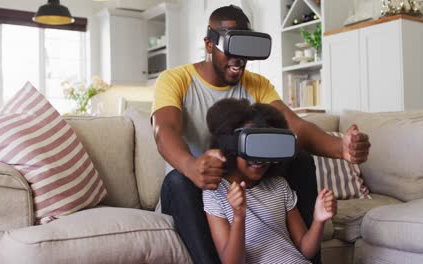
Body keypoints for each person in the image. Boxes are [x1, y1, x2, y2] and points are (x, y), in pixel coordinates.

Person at [152, 5, 370, 264]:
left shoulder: (257, 85)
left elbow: (296, 127)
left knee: (299, 159)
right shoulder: (175, 79)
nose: (239, 59)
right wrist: (191, 165)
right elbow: (164, 129)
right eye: (231, 48)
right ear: (209, 45)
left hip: (242, 181)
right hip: (196, 185)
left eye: (245, 50)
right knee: (178, 180)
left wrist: (341, 148)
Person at [203, 98, 337, 264]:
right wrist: (239, 216)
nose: (260, 160)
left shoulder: (279, 185)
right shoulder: (216, 193)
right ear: (231, 147)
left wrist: (319, 220)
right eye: (254, 147)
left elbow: (306, 249)